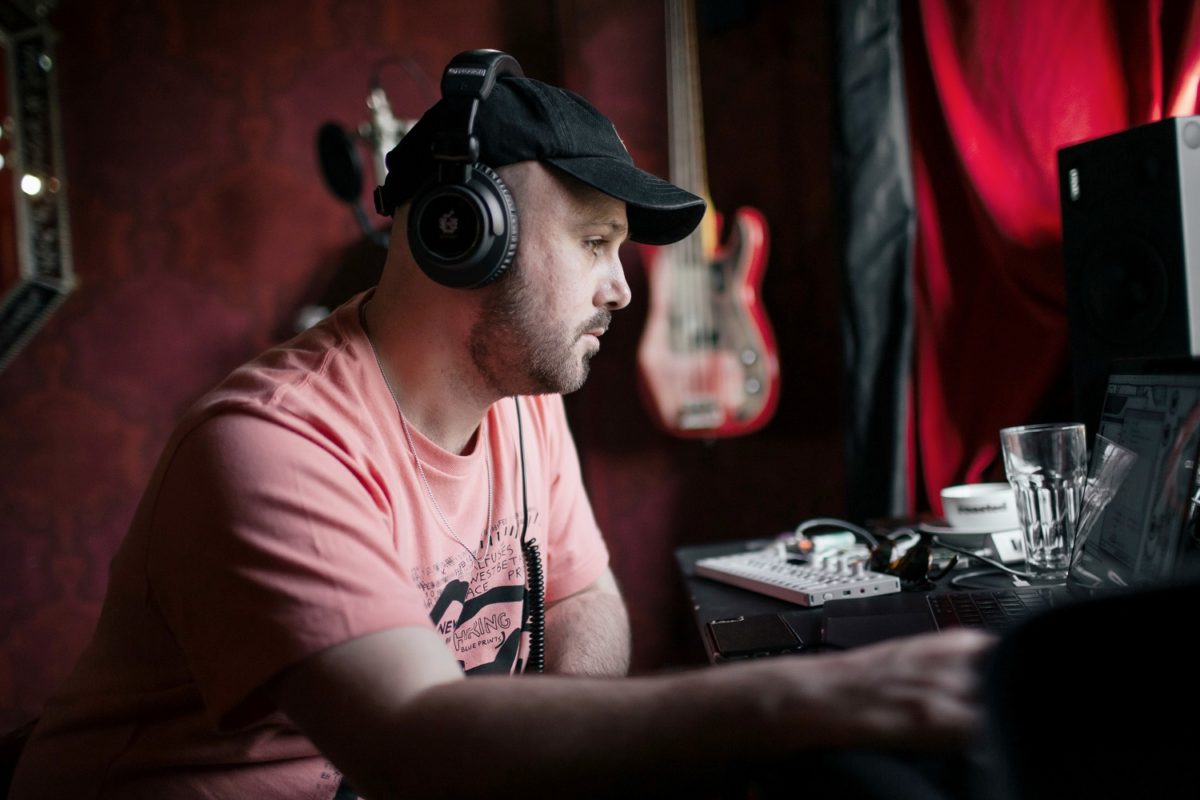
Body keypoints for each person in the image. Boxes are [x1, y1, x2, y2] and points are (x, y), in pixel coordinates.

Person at [10, 51, 991, 799]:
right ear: (462, 231)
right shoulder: (268, 445)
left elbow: (583, 604)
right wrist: (817, 696)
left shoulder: (527, 398)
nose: (620, 288)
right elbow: (411, 735)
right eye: (597, 242)